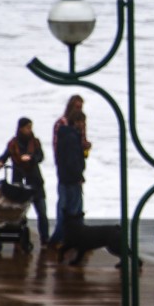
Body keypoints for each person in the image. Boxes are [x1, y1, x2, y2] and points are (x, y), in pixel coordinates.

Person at [0, 117, 49, 243]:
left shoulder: (35, 142)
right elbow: (5, 156)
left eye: (31, 127)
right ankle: (18, 237)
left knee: (41, 211)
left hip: (35, 180)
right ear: (21, 128)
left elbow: (40, 156)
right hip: (18, 181)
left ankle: (45, 239)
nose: (30, 130)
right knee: (18, 212)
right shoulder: (13, 143)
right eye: (27, 127)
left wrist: (31, 158)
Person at [49, 95, 92, 246]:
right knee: (67, 205)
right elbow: (61, 150)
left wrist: (85, 147)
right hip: (68, 171)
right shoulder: (63, 125)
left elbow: (80, 147)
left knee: (76, 205)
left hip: (73, 169)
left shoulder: (76, 128)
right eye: (77, 106)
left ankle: (76, 236)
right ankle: (62, 237)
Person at [55, 109, 87, 230]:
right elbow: (72, 160)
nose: (84, 125)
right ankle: (60, 240)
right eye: (82, 122)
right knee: (73, 213)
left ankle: (65, 240)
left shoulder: (64, 135)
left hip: (64, 177)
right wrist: (79, 176)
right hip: (72, 179)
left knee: (67, 210)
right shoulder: (72, 137)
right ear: (77, 122)